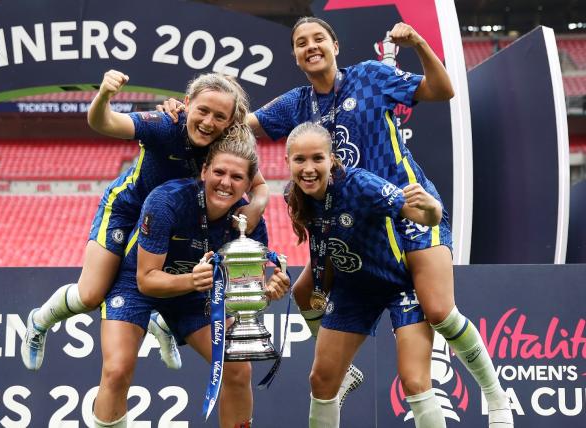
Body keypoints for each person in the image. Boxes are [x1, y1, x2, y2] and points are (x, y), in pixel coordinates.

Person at [158, 17, 511, 425]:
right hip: (353, 229)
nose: (310, 46)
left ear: (335, 45)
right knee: (306, 292)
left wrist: (417, 43)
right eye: (301, 42)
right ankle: (342, 376)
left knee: (437, 310)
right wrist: (182, 114)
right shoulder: (296, 104)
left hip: (406, 211)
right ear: (294, 54)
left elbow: (442, 90)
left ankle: (493, 393)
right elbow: (235, 127)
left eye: (318, 38)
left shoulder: (371, 77)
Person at [21, 70, 269, 373]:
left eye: (219, 116)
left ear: (229, 121)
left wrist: (257, 206)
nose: (208, 122)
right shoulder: (165, 125)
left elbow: (259, 185)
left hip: (174, 220)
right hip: (128, 211)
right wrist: (105, 96)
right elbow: (104, 122)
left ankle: (162, 322)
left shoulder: (225, 143)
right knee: (90, 295)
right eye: (202, 110)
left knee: (178, 282)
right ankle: (40, 320)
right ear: (187, 102)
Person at [95, 131, 289, 428]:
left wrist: (268, 289)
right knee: (117, 370)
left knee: (238, 369)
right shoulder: (167, 201)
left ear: (249, 184)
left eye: (237, 177)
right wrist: (191, 281)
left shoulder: (248, 223)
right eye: (219, 172)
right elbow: (147, 280)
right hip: (137, 286)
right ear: (204, 171)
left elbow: (244, 290)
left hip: (195, 295)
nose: (225, 182)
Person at [286, 123, 446, 427]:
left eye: (317, 158)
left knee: (414, 381)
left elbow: (423, 216)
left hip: (400, 285)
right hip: (354, 289)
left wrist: (433, 209)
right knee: (321, 380)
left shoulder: (360, 185)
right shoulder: (295, 196)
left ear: (332, 159)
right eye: (300, 160)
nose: (308, 169)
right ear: (287, 162)